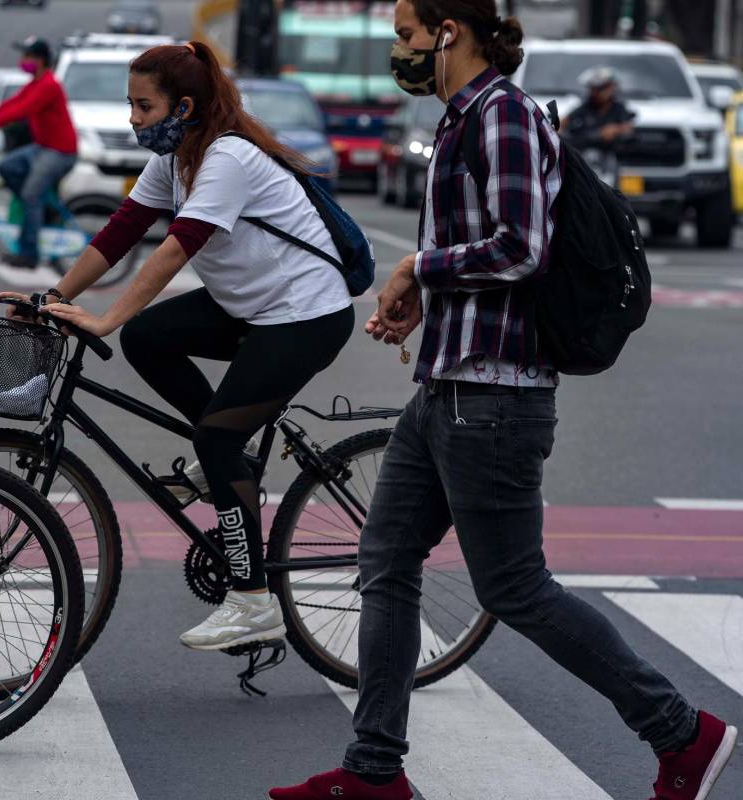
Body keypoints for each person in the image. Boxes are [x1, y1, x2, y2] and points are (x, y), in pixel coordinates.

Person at [269, 2, 736, 799]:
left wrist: (419, 266)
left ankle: (682, 733)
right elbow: (483, 253)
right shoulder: (462, 120)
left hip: (494, 395)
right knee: (384, 564)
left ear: (451, 31)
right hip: (447, 386)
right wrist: (424, 297)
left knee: (516, 588)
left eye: (408, 35)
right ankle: (375, 770)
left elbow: (522, 248)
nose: (400, 51)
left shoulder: (504, 119)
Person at [0, 40, 355, 651]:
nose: (132, 118)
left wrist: (102, 318)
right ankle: (225, 468)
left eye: (143, 106)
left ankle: (252, 600)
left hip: (304, 316)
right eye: (129, 104)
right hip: (249, 308)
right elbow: (121, 232)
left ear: (182, 106)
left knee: (214, 435)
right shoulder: (177, 159)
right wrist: (52, 295)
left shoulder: (228, 159)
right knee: (149, 338)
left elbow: (175, 248)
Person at [0, 36, 78, 269]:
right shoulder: (34, 83)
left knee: (30, 195)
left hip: (59, 152)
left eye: (27, 56)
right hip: (42, 148)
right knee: (6, 168)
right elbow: (12, 103)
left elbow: (22, 109)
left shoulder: (49, 85)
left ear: (39, 60)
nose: (23, 61)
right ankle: (41, 210)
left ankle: (29, 254)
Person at [562, 65, 636, 185]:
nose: (596, 92)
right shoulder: (586, 107)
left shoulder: (618, 108)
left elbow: (628, 128)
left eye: (600, 88)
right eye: (593, 89)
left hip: (610, 158)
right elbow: (565, 121)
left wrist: (616, 130)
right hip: (585, 157)